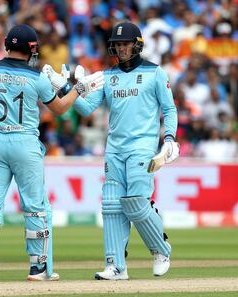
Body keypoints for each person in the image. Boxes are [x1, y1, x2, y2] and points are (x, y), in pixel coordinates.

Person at [0, 24, 103, 282]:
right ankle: (38, 268)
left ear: (6, 45)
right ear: (32, 49)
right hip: (25, 144)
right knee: (35, 208)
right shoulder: (37, 77)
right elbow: (59, 109)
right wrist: (77, 89)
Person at [44, 22, 179, 280]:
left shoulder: (155, 73)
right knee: (110, 206)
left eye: (126, 43)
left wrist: (169, 138)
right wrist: (63, 86)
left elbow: (170, 109)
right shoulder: (108, 76)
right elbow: (85, 108)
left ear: (137, 44)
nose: (121, 48)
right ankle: (116, 266)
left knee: (137, 203)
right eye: (117, 44)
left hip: (142, 146)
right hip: (114, 149)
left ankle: (161, 249)